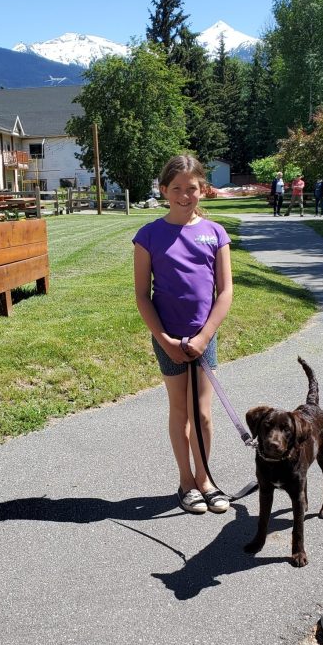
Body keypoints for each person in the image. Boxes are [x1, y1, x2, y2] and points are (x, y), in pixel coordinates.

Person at [133, 155, 233, 515]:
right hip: (168, 339)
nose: (184, 195)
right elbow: (143, 295)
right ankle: (186, 482)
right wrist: (165, 341)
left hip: (204, 338)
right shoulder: (148, 236)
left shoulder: (215, 233)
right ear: (164, 191)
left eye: (192, 188)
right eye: (176, 188)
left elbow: (225, 293)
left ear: (202, 190)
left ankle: (206, 479)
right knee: (180, 411)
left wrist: (205, 336)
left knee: (203, 413)